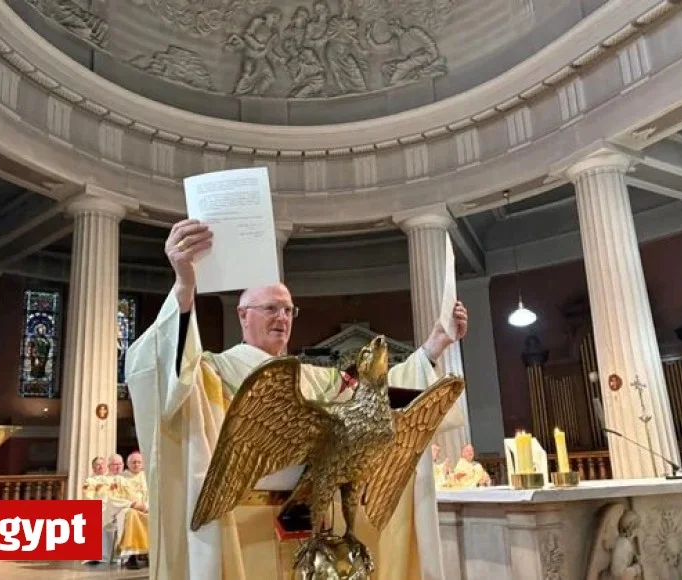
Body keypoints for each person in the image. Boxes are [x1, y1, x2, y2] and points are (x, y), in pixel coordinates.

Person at [126, 218, 470, 580]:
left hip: (317, 525)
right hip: (244, 525)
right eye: (271, 308)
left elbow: (378, 401)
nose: (282, 318)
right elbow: (163, 377)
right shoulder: (213, 370)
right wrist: (184, 286)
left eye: (289, 310)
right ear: (242, 315)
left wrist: (434, 345)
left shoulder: (317, 379)